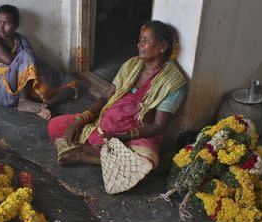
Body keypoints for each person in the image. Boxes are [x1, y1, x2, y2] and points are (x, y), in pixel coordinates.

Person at [47, 20, 187, 193]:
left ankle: (89, 157)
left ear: (162, 47)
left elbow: (159, 126)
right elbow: (106, 96)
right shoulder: (131, 65)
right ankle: (105, 155)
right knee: (54, 125)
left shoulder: (173, 82)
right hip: (103, 125)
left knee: (145, 161)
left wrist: (123, 136)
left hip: (134, 136)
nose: (139, 44)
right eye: (139, 40)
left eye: (145, 40)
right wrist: (80, 121)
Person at [0, 4, 78, 120]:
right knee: (27, 54)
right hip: (3, 92)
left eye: (7, 23)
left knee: (70, 82)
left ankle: (44, 106)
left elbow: (32, 65)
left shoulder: (21, 40)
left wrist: (47, 75)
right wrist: (30, 59)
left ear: (16, 25)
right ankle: (24, 101)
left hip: (23, 89)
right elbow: (10, 61)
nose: (1, 27)